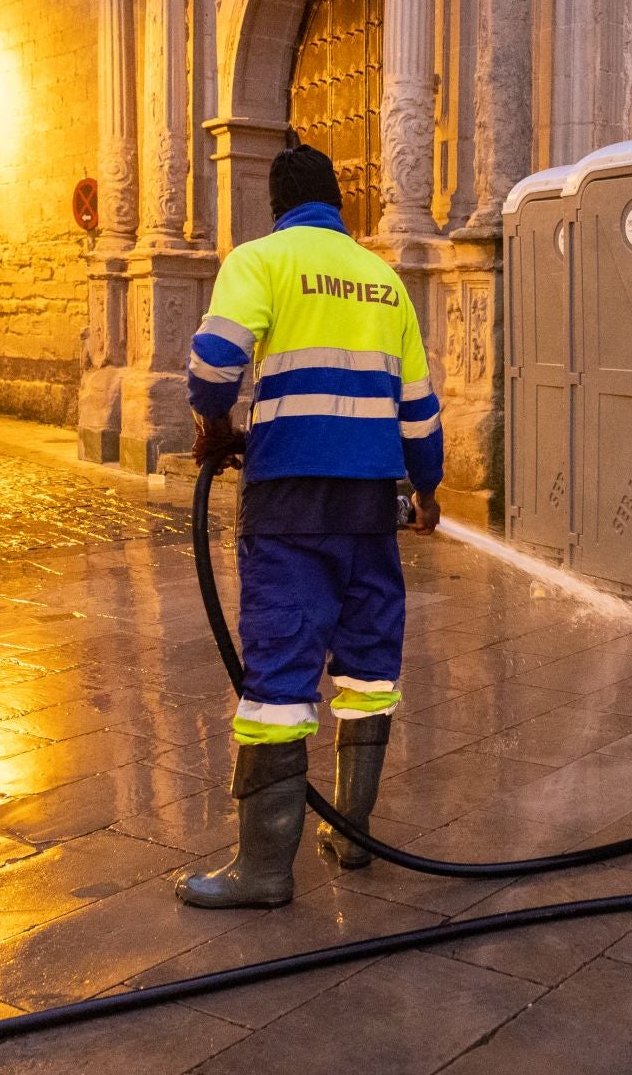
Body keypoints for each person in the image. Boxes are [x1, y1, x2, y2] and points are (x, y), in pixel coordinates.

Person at [178, 141, 443, 909]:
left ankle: (263, 870)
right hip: (370, 510)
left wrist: (215, 425)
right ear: (340, 205)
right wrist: (426, 494)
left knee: (278, 679)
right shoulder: (386, 282)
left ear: (278, 205)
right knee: (368, 668)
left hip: (290, 507)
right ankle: (352, 837)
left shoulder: (260, 261)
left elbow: (212, 366)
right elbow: (420, 412)